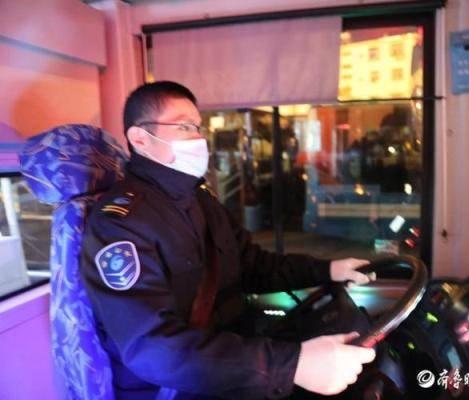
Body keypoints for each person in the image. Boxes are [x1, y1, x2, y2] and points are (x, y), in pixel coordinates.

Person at [80, 81, 376, 400]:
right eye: (184, 127)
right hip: (178, 386)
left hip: (237, 352)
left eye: (198, 127)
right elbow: (154, 348)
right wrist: (291, 366)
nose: (199, 139)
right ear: (140, 138)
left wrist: (328, 270)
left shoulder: (200, 199)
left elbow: (252, 265)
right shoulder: (121, 223)